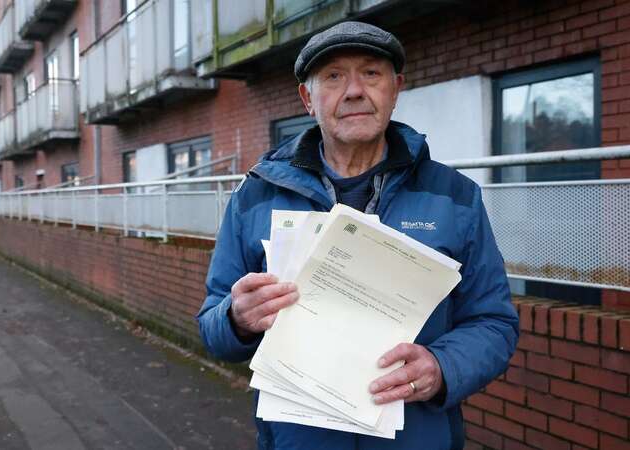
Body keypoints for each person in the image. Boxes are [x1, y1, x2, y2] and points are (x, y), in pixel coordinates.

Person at [197, 21, 519, 450]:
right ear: (307, 99)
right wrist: (236, 318)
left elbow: (493, 321)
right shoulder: (255, 196)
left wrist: (443, 367)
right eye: (333, 76)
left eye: (371, 73)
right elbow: (211, 323)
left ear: (395, 88)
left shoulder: (456, 197)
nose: (354, 90)